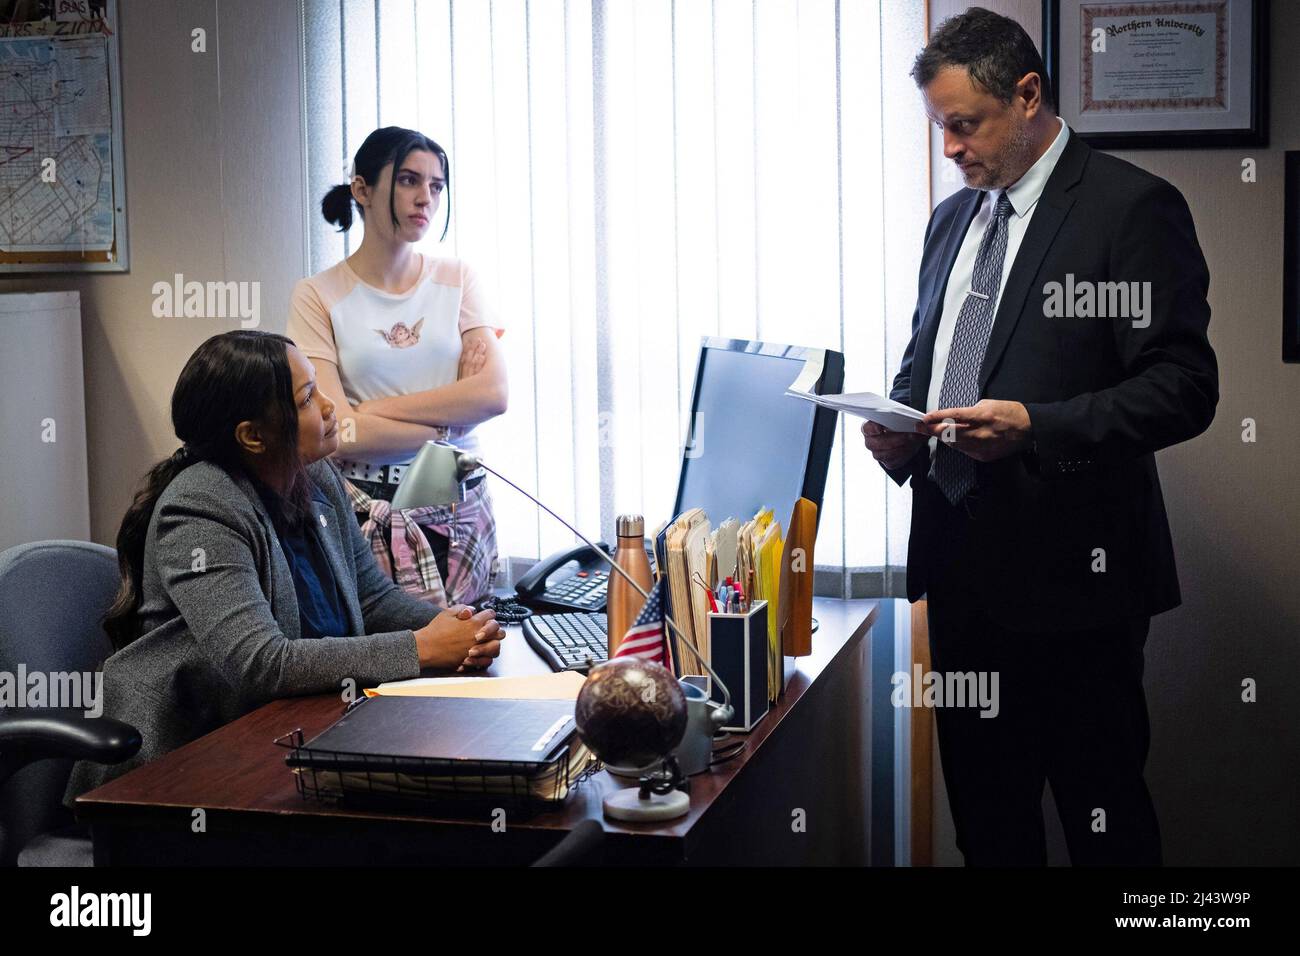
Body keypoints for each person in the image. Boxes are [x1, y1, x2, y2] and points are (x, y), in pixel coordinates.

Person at [862, 8, 1218, 865]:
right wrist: (901, 429)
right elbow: (928, 362)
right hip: (958, 576)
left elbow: (1184, 390)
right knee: (986, 822)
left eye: (963, 124)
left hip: (1078, 589)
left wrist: (1036, 428)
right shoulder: (952, 221)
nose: (949, 148)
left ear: (1027, 96)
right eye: (939, 127)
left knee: (1105, 820)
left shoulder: (1130, 207)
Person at [65, 331, 501, 801]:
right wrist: (420, 648)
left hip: (290, 733)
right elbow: (261, 663)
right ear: (253, 435)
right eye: (309, 398)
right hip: (177, 770)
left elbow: (371, 597)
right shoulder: (200, 508)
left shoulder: (313, 475)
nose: (332, 407)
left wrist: (458, 629)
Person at [287, 126, 508, 610]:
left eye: (435, 185)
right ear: (361, 190)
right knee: (388, 665)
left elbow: (494, 395)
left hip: (459, 501)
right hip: (365, 505)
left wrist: (380, 410)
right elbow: (340, 431)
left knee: (468, 663)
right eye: (409, 180)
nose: (424, 198)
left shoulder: (458, 279)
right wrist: (450, 417)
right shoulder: (317, 294)